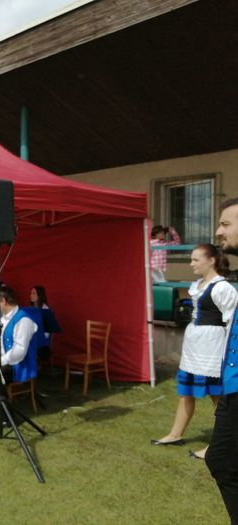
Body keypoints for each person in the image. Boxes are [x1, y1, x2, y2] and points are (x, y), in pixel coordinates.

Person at [151, 244, 237, 459]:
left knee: (218, 399)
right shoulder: (198, 285)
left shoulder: (222, 288)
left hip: (212, 350)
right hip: (194, 349)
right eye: (191, 259)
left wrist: (228, 356)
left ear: (211, 260)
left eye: (196, 260)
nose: (191, 264)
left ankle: (216, 446)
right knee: (186, 392)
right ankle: (175, 434)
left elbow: (231, 323)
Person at [207, 197, 238, 522]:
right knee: (221, 461)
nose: (218, 231)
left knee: (223, 461)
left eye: (226, 224)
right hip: (231, 382)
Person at [30, 285, 52, 360]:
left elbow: (47, 333)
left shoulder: (46, 310)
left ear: (40, 295)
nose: (31, 295)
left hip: (42, 343)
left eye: (34, 293)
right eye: (31, 293)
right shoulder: (30, 309)